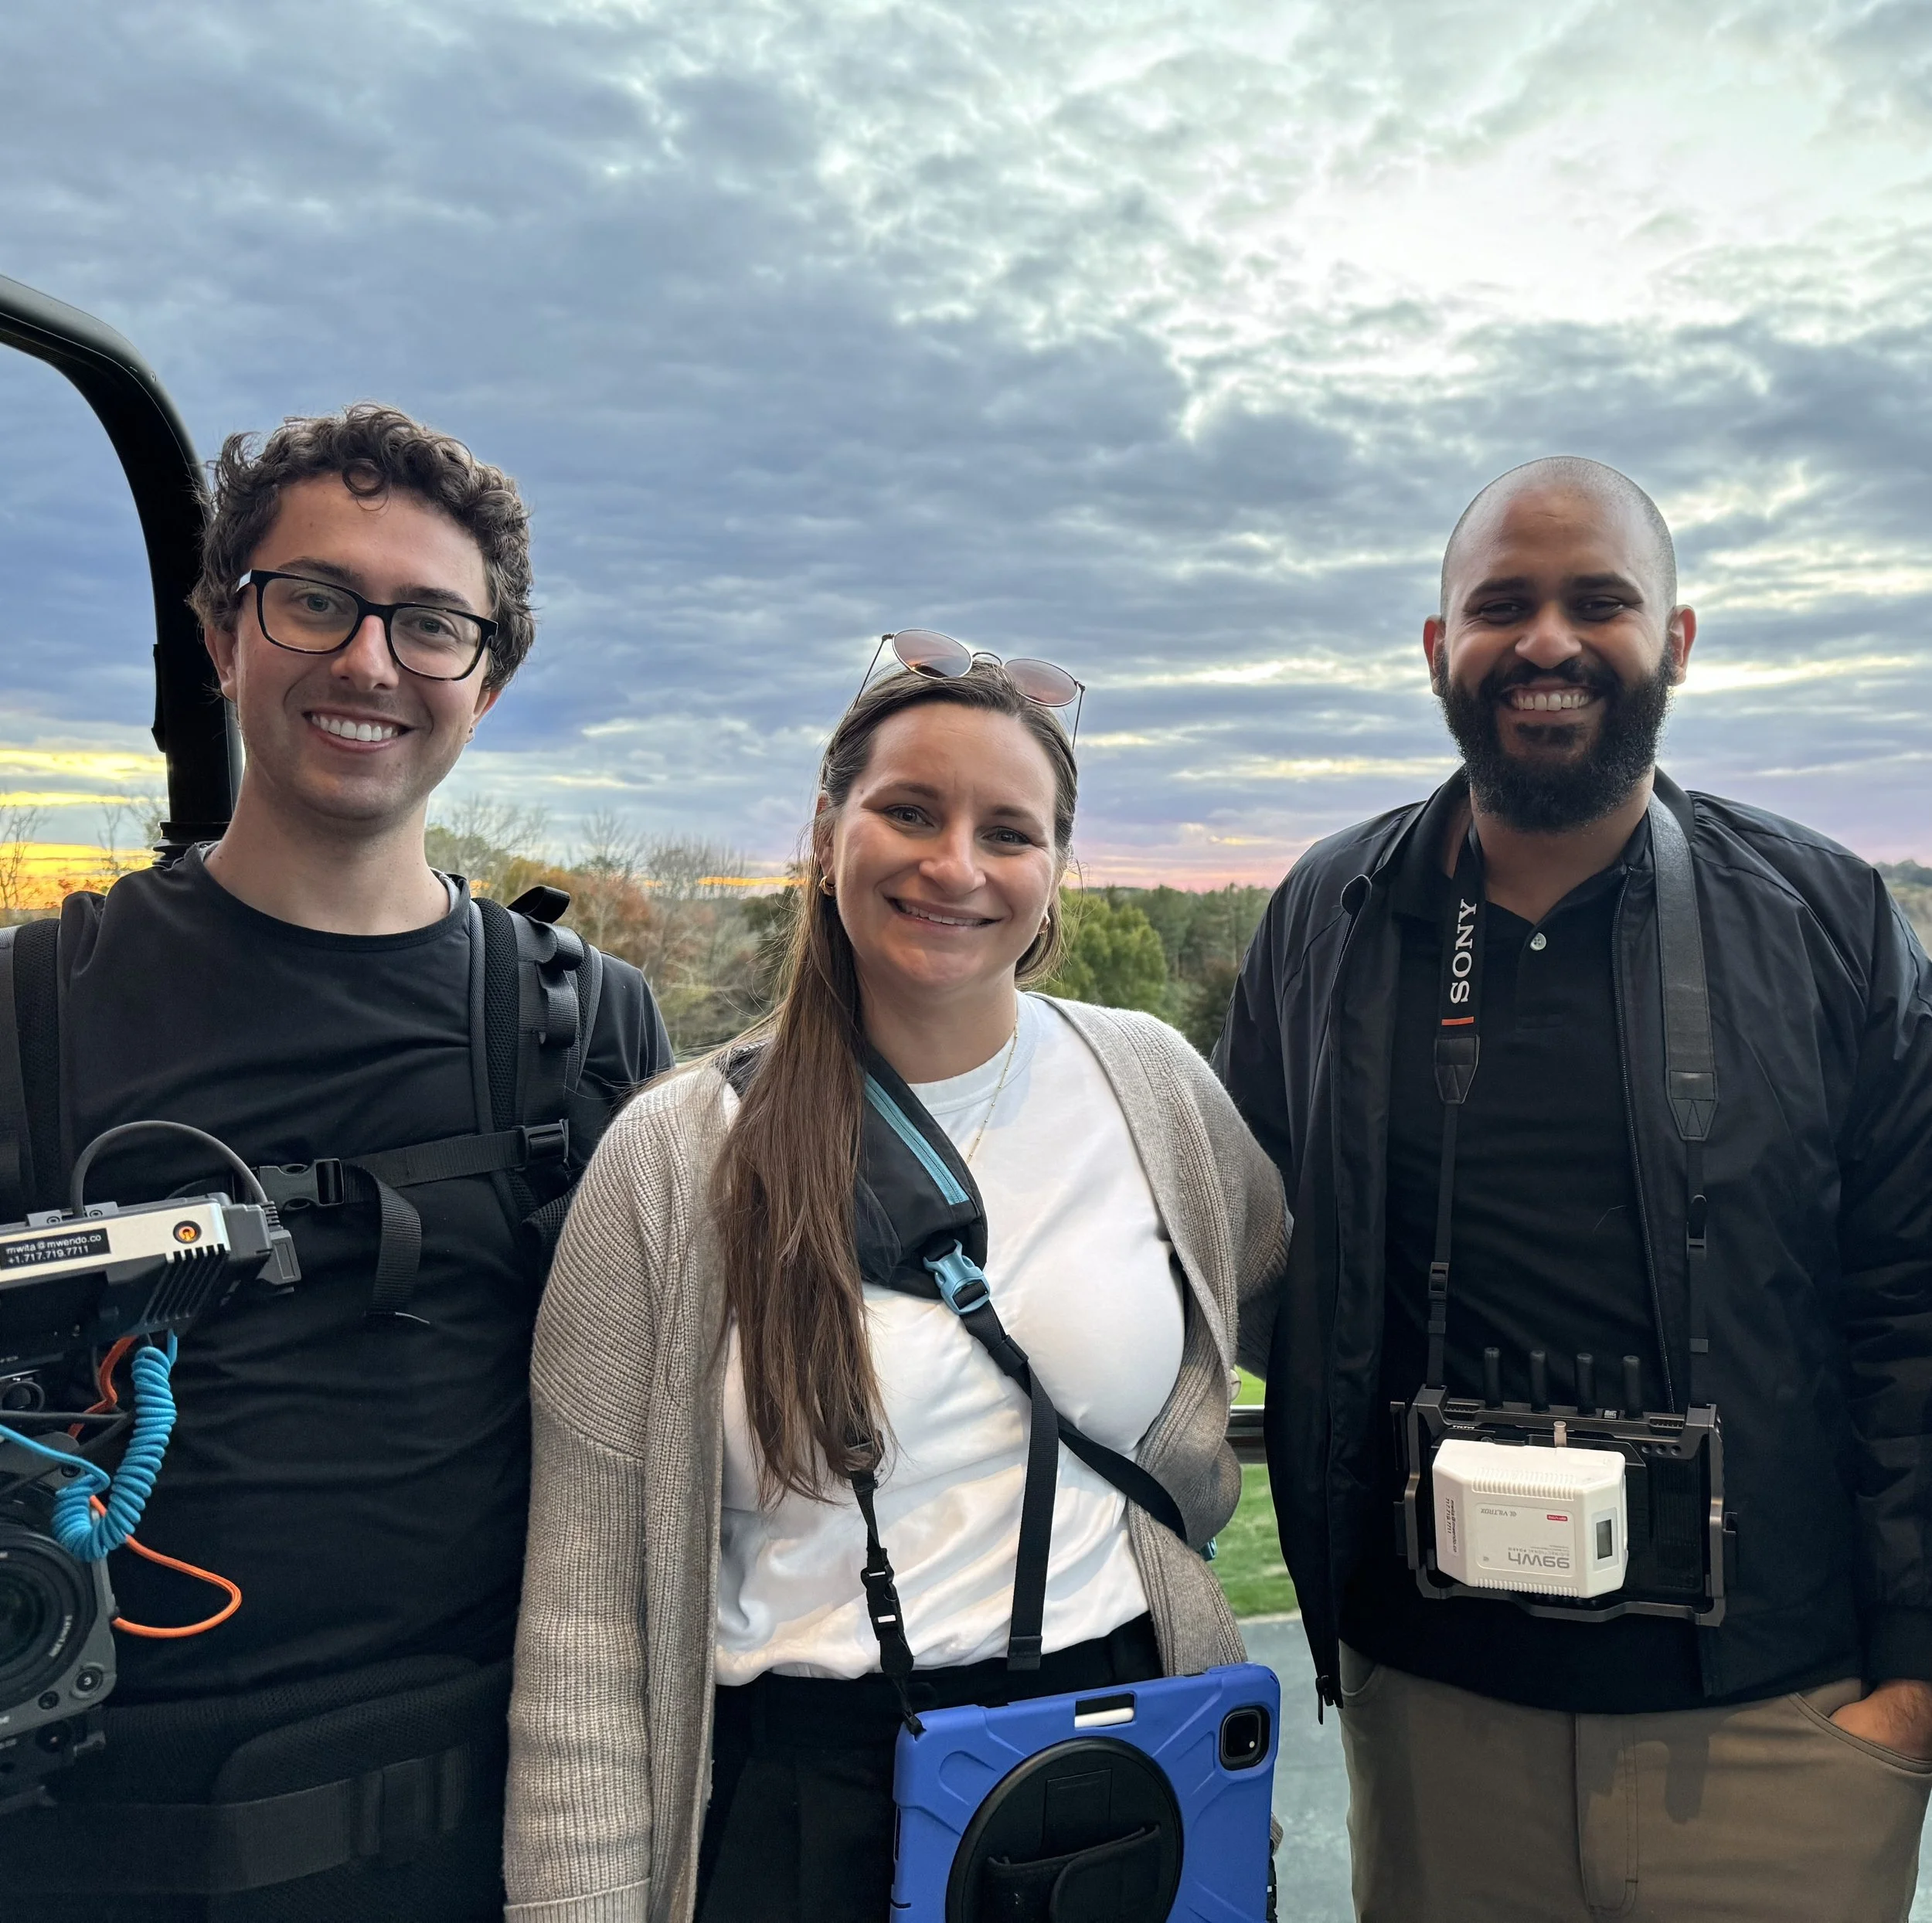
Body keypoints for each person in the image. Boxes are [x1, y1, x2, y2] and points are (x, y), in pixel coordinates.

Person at [1218, 455, 1932, 1922]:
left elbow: (1914, 1305)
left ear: (1677, 640)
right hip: (1436, 1721)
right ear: (1440, 648)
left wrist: (1910, 1687)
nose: (1547, 641)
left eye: (1599, 602)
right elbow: (1248, 1260)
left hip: (1779, 1727)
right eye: (1503, 606)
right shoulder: (1333, 921)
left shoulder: (1829, 921)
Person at [1, 405, 670, 1923]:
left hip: (464, 1842)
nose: (369, 661)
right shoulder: (30, 1008)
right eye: (314, 600)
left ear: (486, 680)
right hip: (82, 1839)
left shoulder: (582, 1028)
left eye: (429, 624)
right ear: (221, 633)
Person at [505, 654, 1287, 1922]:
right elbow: (586, 1618)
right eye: (911, 811)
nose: (955, 865)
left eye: (1009, 832)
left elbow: (1305, 1318)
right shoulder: (677, 1156)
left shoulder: (1153, 1088)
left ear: (1056, 873)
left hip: (1125, 1760)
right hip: (811, 1805)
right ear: (827, 836)